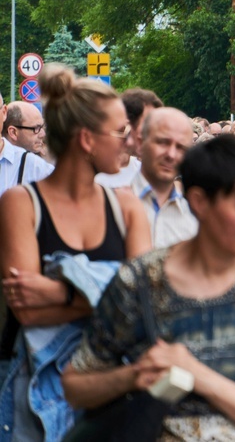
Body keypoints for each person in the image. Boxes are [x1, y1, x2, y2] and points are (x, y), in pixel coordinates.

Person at [62, 136, 235, 441]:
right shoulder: (140, 282)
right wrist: (134, 376)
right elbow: (76, 387)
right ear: (199, 202)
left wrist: (198, 375)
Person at [0, 64, 152, 439]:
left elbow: (144, 306)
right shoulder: (21, 203)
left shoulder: (127, 208)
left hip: (115, 390)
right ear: (86, 140)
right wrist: (111, 290)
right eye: (120, 131)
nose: (130, 141)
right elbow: (26, 310)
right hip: (35, 393)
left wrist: (62, 290)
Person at [131, 107, 198, 248]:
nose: (171, 154)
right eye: (163, 142)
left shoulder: (194, 217)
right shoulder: (111, 203)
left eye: (180, 147)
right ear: (139, 143)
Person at [95, 88, 163, 188]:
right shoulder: (92, 173)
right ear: (126, 124)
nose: (157, 134)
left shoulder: (147, 175)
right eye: (150, 125)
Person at [0, 96, 53, 197]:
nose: (42, 134)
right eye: (36, 128)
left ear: (4, 112)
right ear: (13, 132)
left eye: (41, 127)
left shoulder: (38, 168)